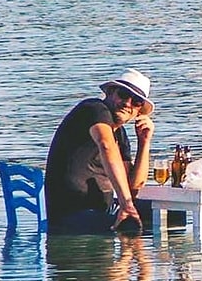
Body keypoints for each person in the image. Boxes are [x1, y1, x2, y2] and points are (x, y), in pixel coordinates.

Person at [44, 68, 155, 234]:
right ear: (110, 93)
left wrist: (144, 142)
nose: (127, 103)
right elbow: (106, 145)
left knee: (169, 216)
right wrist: (126, 205)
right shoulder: (94, 109)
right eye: (123, 94)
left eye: (136, 102)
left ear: (139, 111)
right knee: (130, 228)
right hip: (71, 214)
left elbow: (134, 187)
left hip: (103, 210)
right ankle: (130, 260)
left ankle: (150, 260)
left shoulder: (119, 133)